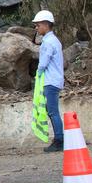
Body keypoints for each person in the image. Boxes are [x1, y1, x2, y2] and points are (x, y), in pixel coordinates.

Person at [33, 10, 65, 152]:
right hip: (54, 80)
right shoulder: (53, 40)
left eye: (38, 25)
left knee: (52, 112)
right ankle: (58, 139)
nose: (36, 28)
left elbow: (43, 63)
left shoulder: (48, 42)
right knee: (52, 111)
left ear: (46, 24)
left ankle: (59, 140)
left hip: (50, 81)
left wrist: (38, 74)